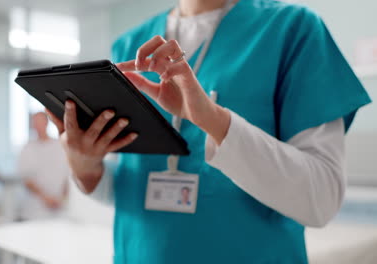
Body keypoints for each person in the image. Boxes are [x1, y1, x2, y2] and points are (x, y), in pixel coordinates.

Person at [47, 0, 372, 262]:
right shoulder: (129, 46)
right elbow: (126, 189)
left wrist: (212, 119)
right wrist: (84, 163)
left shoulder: (293, 30)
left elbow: (322, 201)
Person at [18, 112, 70, 220]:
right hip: (35, 209)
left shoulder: (60, 146)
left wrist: (62, 198)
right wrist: (45, 198)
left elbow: (68, 176)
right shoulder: (27, 149)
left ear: (47, 123)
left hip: (59, 207)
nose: (38, 125)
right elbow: (27, 180)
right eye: (35, 122)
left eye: (40, 122)